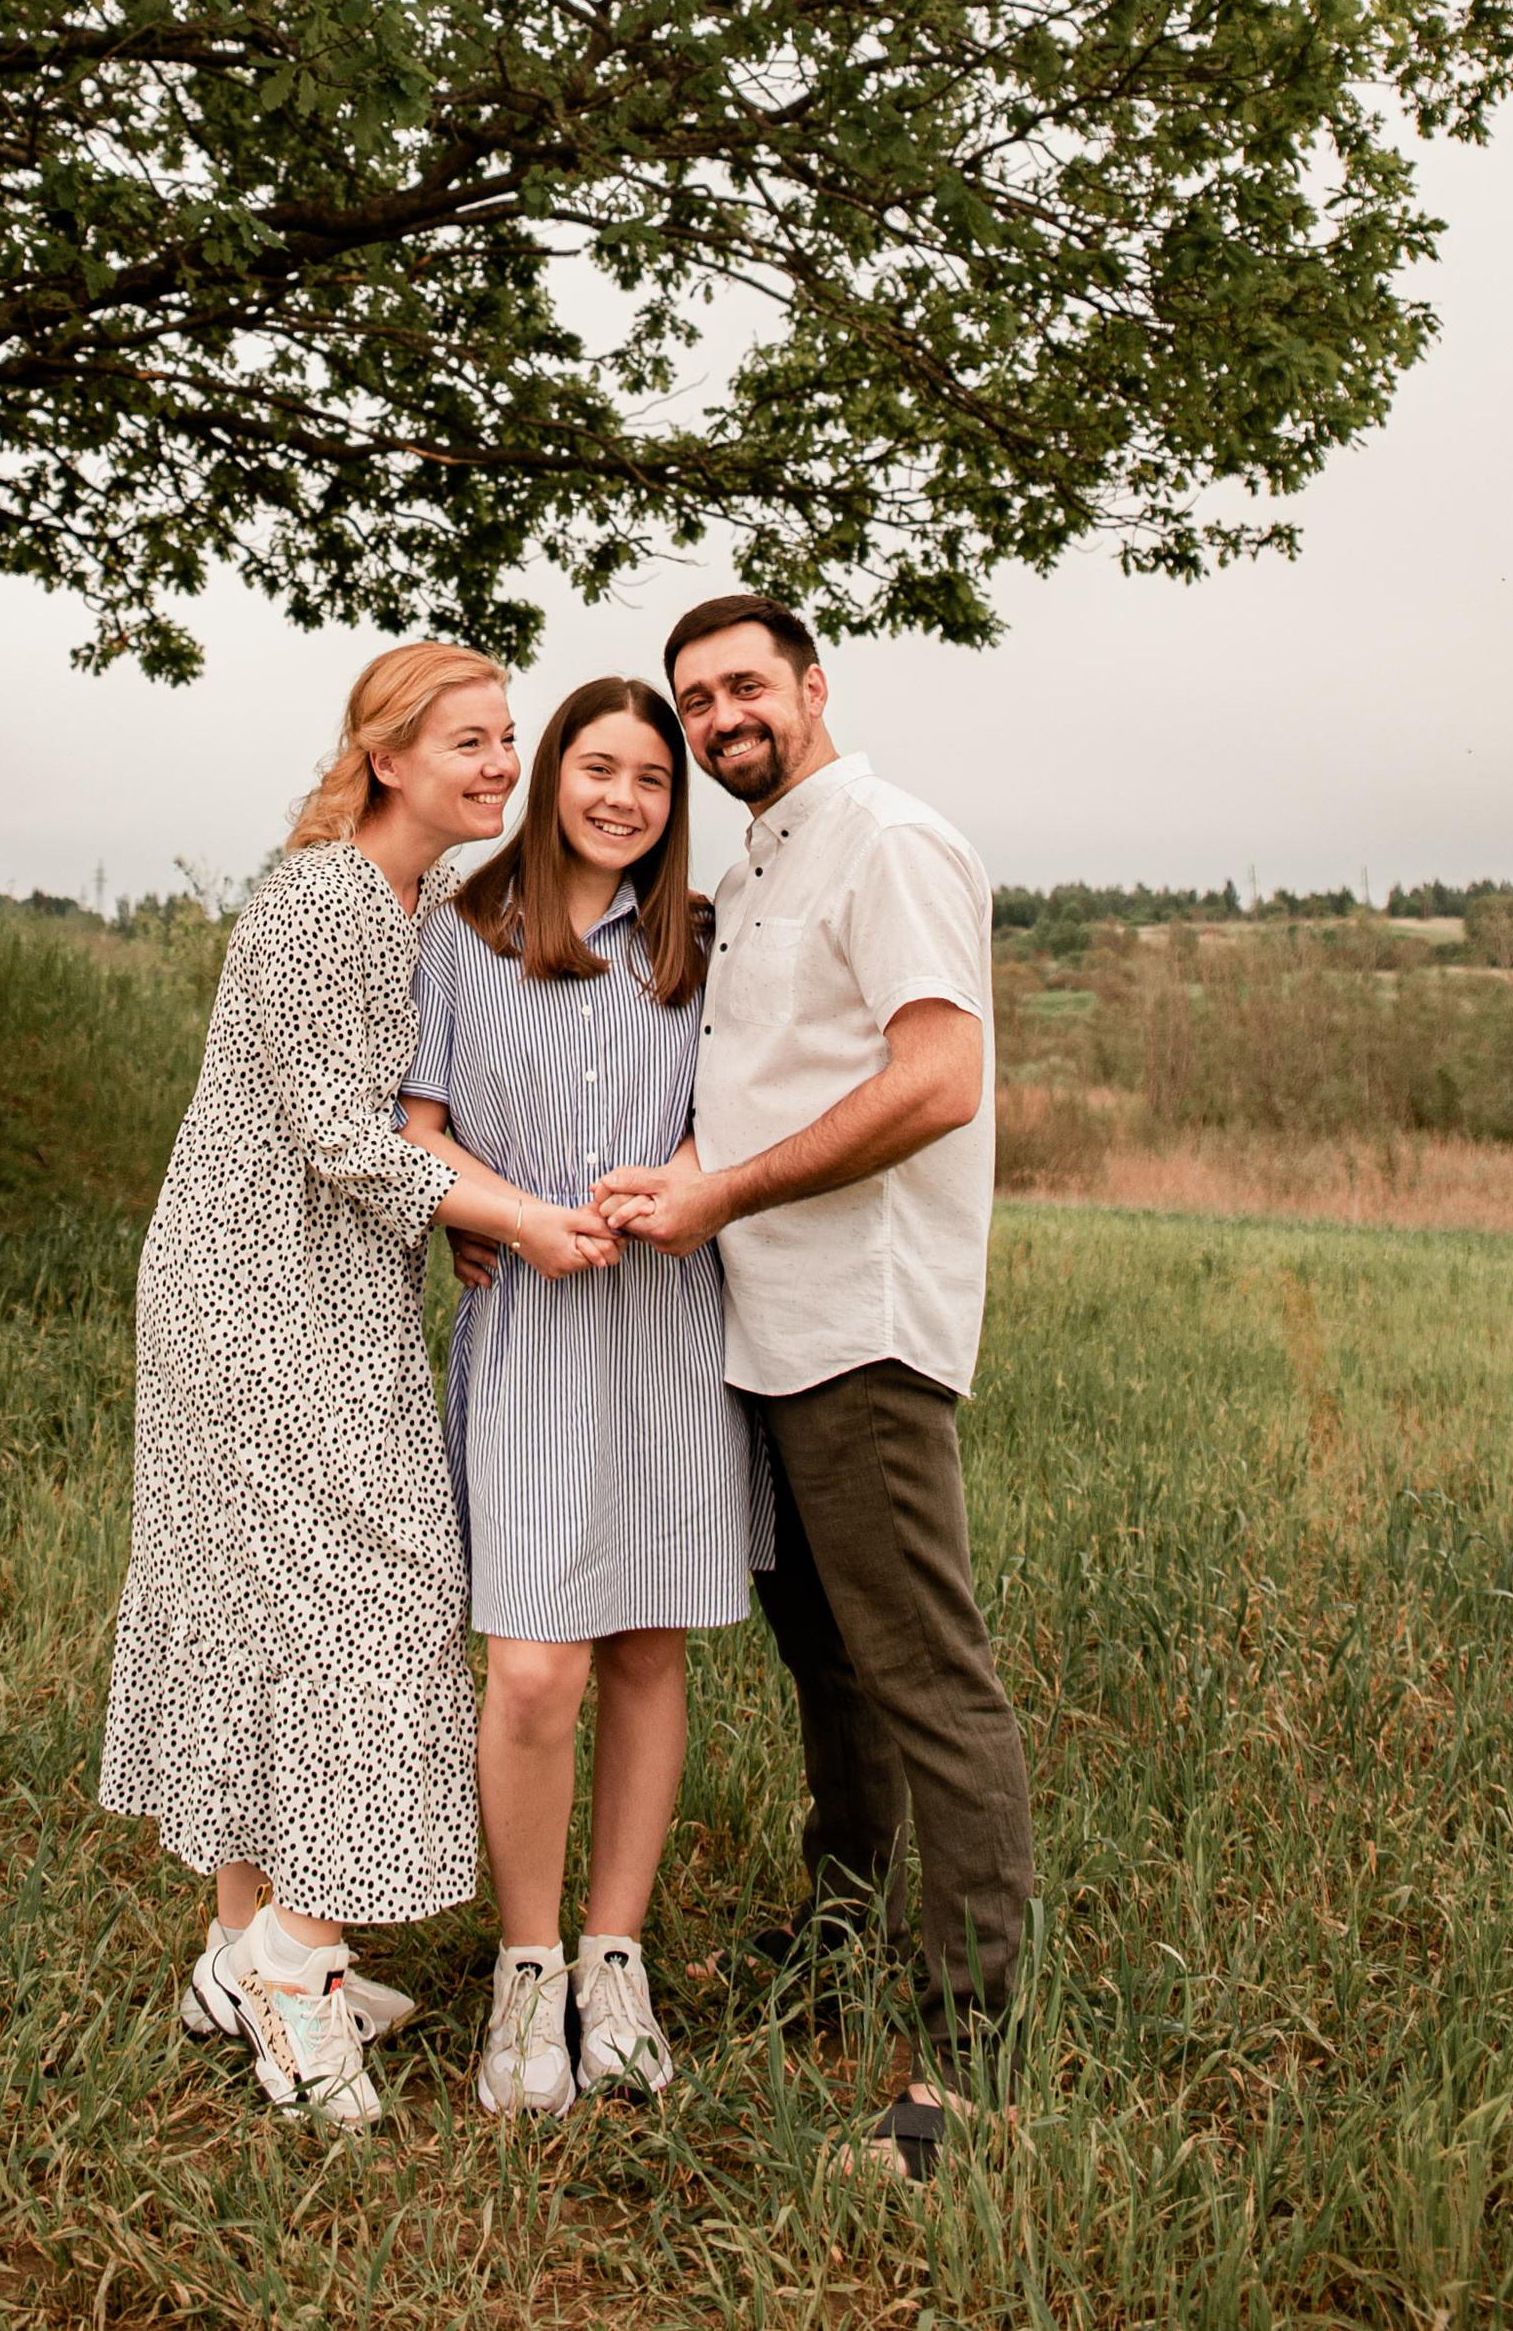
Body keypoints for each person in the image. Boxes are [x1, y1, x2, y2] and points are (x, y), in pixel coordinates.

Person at [98, 641, 619, 2133]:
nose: (497, 763)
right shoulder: (329, 899)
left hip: (317, 1285)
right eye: (467, 740)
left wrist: (455, 1212)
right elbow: (338, 1134)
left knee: (276, 1595)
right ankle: (300, 1968)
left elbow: (394, 1123)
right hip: (260, 1294)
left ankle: (233, 1945)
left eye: (507, 738)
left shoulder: (422, 903)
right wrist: (507, 1217)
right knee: (372, 1601)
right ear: (384, 754)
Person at [593, 593, 1032, 2186]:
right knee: (830, 1669)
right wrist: (669, 1188)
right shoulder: (759, 857)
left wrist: (725, 1196)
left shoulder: (892, 840)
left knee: (925, 1673)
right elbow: (765, 1081)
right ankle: (837, 1935)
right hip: (761, 1323)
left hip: (865, 1322)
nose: (718, 720)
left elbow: (935, 1078)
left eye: (743, 688)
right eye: (694, 700)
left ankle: (966, 2067)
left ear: (814, 684)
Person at [401, 678, 768, 2117]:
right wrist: (493, 1210)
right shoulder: (464, 930)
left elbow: (739, 1109)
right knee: (536, 1667)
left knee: (646, 1650)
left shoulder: (698, 943)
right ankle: (528, 1968)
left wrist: (683, 1171)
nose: (623, 798)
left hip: (672, 1319)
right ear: (552, 772)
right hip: (535, 1322)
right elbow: (415, 1126)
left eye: (653, 781)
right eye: (598, 768)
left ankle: (616, 1958)